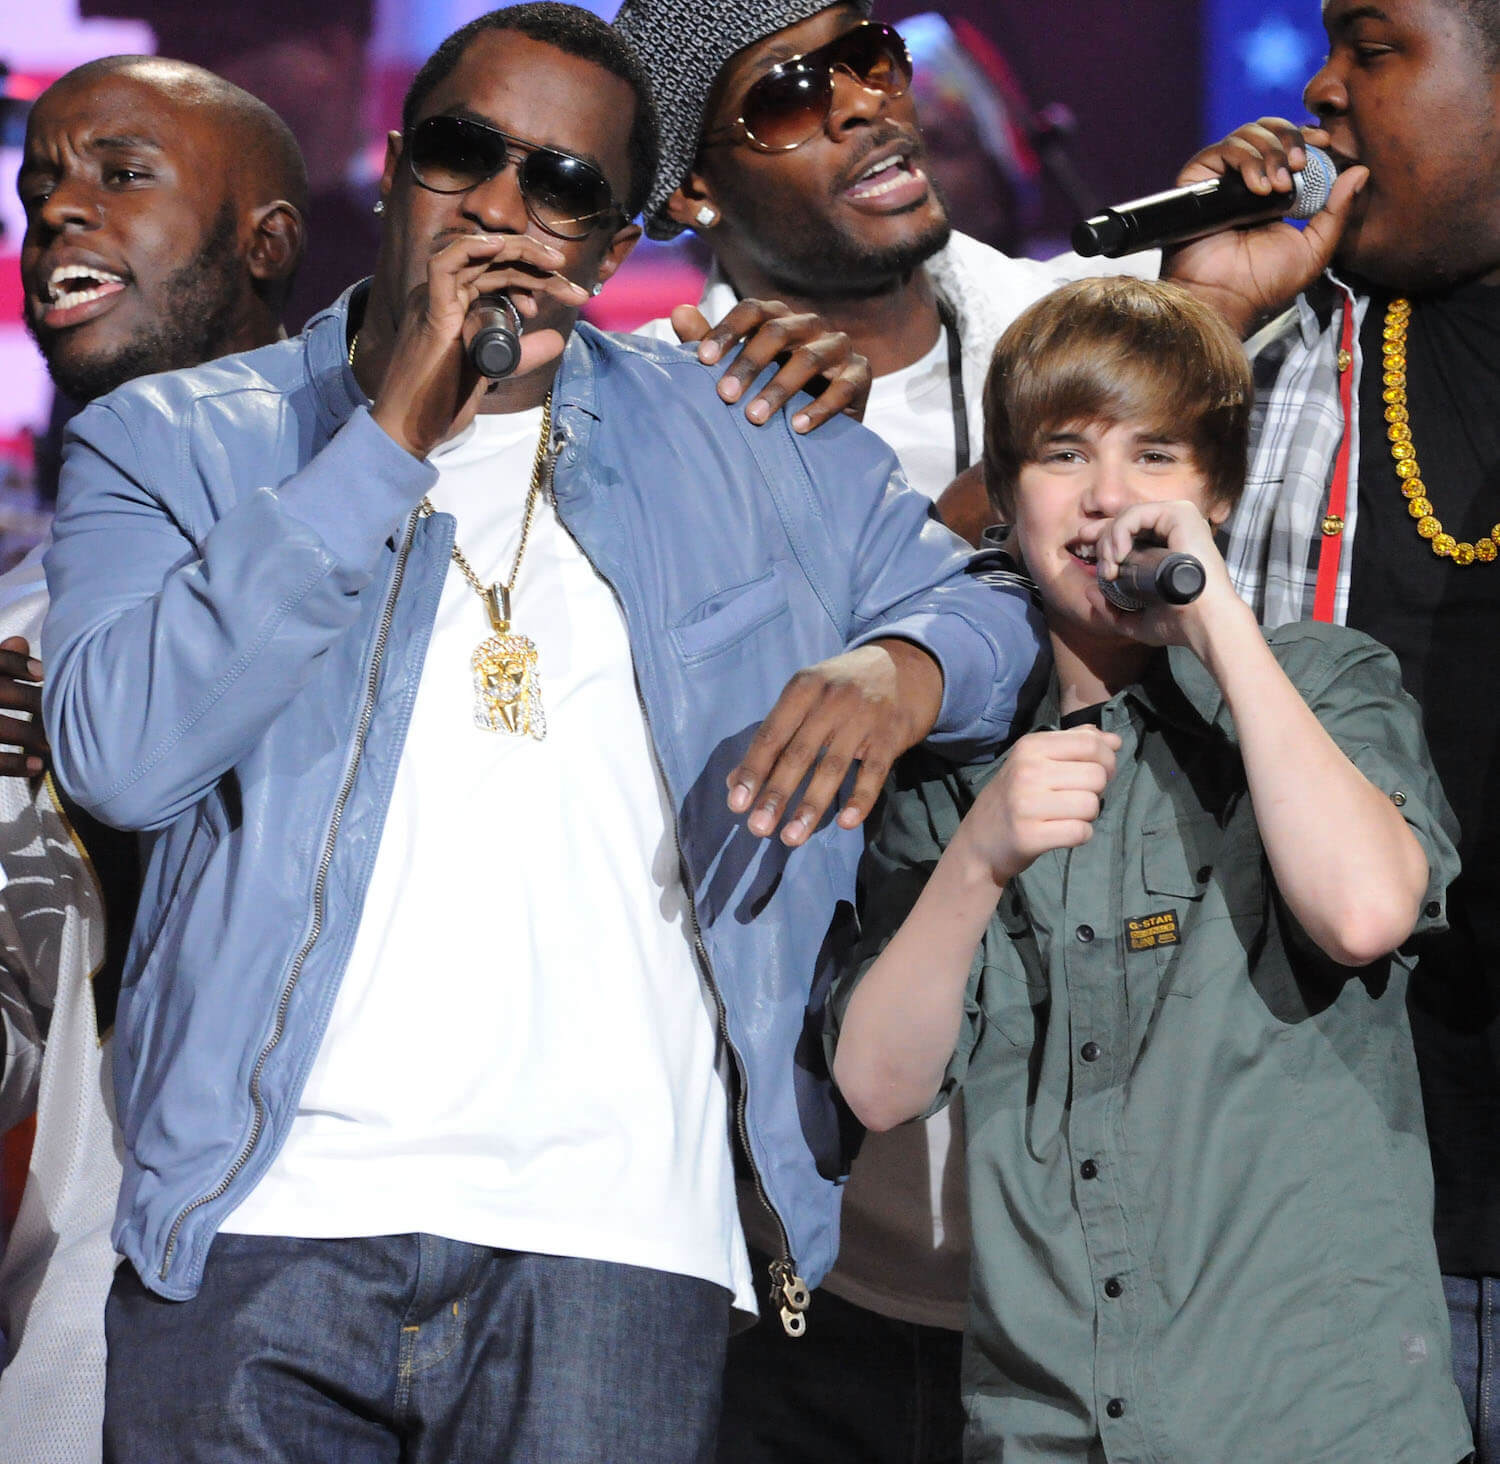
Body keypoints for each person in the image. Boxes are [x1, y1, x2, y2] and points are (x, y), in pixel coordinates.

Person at [40, 7, 1042, 1461]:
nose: (507, 208)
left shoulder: (752, 435)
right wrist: (384, 440)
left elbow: (1002, 622)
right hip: (266, 1226)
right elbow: (122, 753)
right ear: (394, 170)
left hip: (617, 1242)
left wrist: (902, 670)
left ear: (616, 241)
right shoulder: (179, 441)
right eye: (467, 155)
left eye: (565, 184)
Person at [610, 8, 1144, 1457]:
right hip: (795, 1269)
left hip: (1113, 1259)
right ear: (690, 192)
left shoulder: (1108, 336)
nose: (859, 104)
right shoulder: (636, 431)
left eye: (870, 53)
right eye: (789, 93)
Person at [829, 275, 1471, 1463]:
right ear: (1008, 496)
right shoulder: (963, 776)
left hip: (1312, 1423)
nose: (1109, 498)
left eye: (1156, 455)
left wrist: (1217, 624)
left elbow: (1366, 911)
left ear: (1215, 489)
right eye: (1065, 455)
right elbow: (877, 1089)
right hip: (1048, 1425)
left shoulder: (1323, 687)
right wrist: (979, 857)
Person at [1158, 2, 1500, 1454]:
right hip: (1323, 1213)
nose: (1317, 87)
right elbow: (1005, 571)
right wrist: (1194, 323)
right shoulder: (1279, 352)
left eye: (1376, 44)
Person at [0, 55, 308, 1464]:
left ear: (268, 244)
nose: (59, 212)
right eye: (38, 188)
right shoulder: (20, 635)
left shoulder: (437, 556)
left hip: (368, 1294)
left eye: (121, 175)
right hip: (65, 1339)